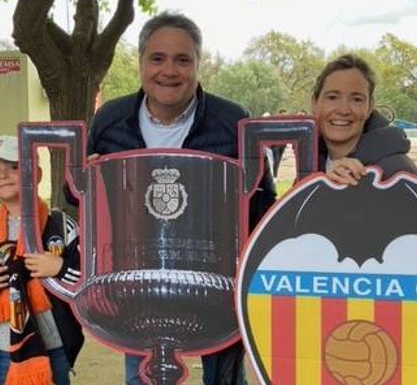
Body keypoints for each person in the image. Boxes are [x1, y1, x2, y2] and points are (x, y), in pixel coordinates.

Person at [86, 11, 276, 385]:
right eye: (157, 58)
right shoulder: (110, 119)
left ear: (197, 65)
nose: (169, 70)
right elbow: (83, 197)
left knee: (224, 377)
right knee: (141, 374)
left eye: (182, 59)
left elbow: (263, 200)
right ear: (141, 63)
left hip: (217, 280)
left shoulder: (233, 121)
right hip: (139, 281)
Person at [0, 135, 84, 385]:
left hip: (53, 345)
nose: (3, 176)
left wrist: (59, 268)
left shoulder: (61, 225)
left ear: (35, 174)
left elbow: (88, 283)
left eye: (14, 167)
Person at [311, 53, 417, 185]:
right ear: (314, 103)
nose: (343, 110)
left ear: (369, 108)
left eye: (356, 99)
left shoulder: (396, 172)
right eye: (332, 97)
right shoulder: (309, 169)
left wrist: (361, 186)